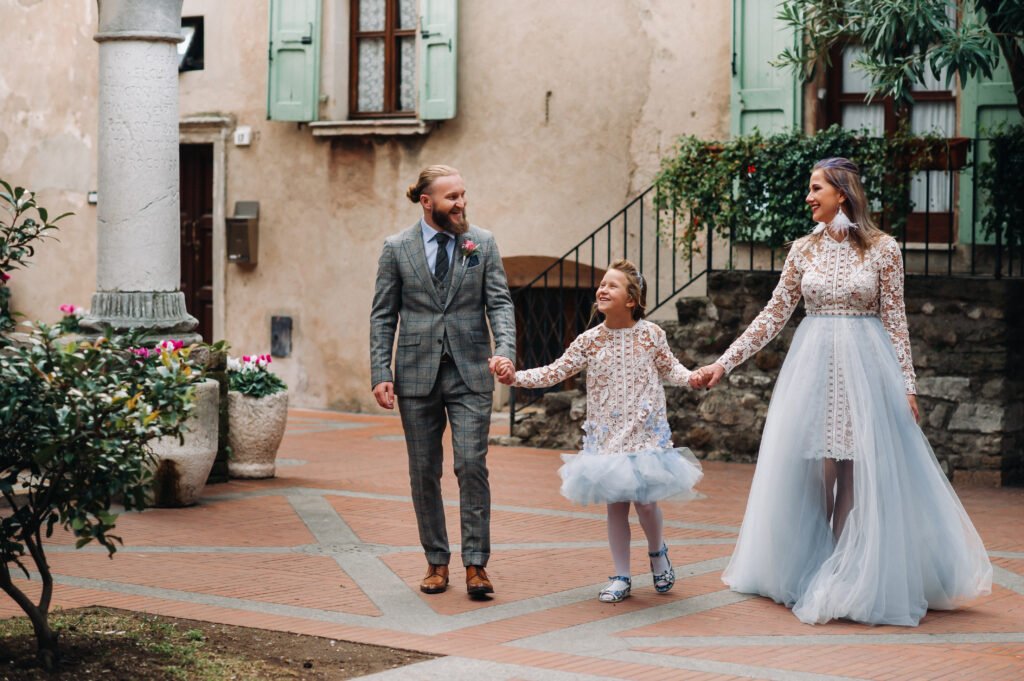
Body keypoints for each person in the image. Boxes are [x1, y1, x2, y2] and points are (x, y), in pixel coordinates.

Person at [691, 157, 992, 626]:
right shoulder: (802, 250)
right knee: (816, 467)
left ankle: (848, 572)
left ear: (842, 193)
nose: (809, 197)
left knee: (854, 467)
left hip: (866, 367)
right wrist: (723, 363)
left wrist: (908, 385)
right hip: (811, 367)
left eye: (816, 188)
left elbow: (895, 321)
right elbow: (772, 316)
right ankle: (812, 564)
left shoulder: (883, 249)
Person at [493, 260, 703, 603]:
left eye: (611, 285)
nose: (602, 289)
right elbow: (554, 371)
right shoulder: (590, 340)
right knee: (616, 505)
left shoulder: (652, 335)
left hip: (644, 432)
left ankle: (657, 552)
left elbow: (672, 369)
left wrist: (692, 377)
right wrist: (514, 377)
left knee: (646, 504)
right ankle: (621, 575)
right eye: (601, 284)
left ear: (631, 299)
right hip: (608, 436)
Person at [370, 165, 516, 599]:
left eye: (464, 194)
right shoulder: (396, 249)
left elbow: (500, 304)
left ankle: (476, 565)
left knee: (471, 465)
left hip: (472, 371)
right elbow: (382, 316)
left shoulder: (481, 243)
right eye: (452, 197)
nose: (462, 204)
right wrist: (381, 371)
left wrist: (504, 350)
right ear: (426, 201)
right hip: (415, 374)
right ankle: (437, 561)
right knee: (423, 471)